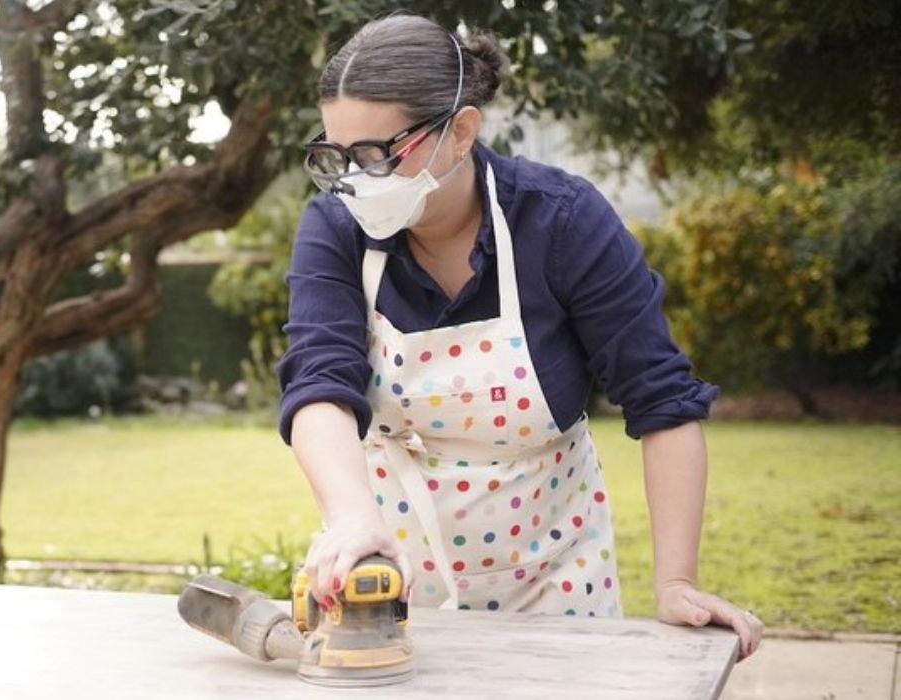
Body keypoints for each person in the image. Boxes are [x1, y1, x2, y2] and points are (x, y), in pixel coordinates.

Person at [277, 14, 763, 661]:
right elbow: (319, 385)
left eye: (377, 154)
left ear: (462, 132)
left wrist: (676, 583)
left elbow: (663, 402)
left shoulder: (561, 222)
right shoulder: (335, 229)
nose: (354, 179)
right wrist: (351, 518)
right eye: (337, 157)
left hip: (555, 577)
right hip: (393, 570)